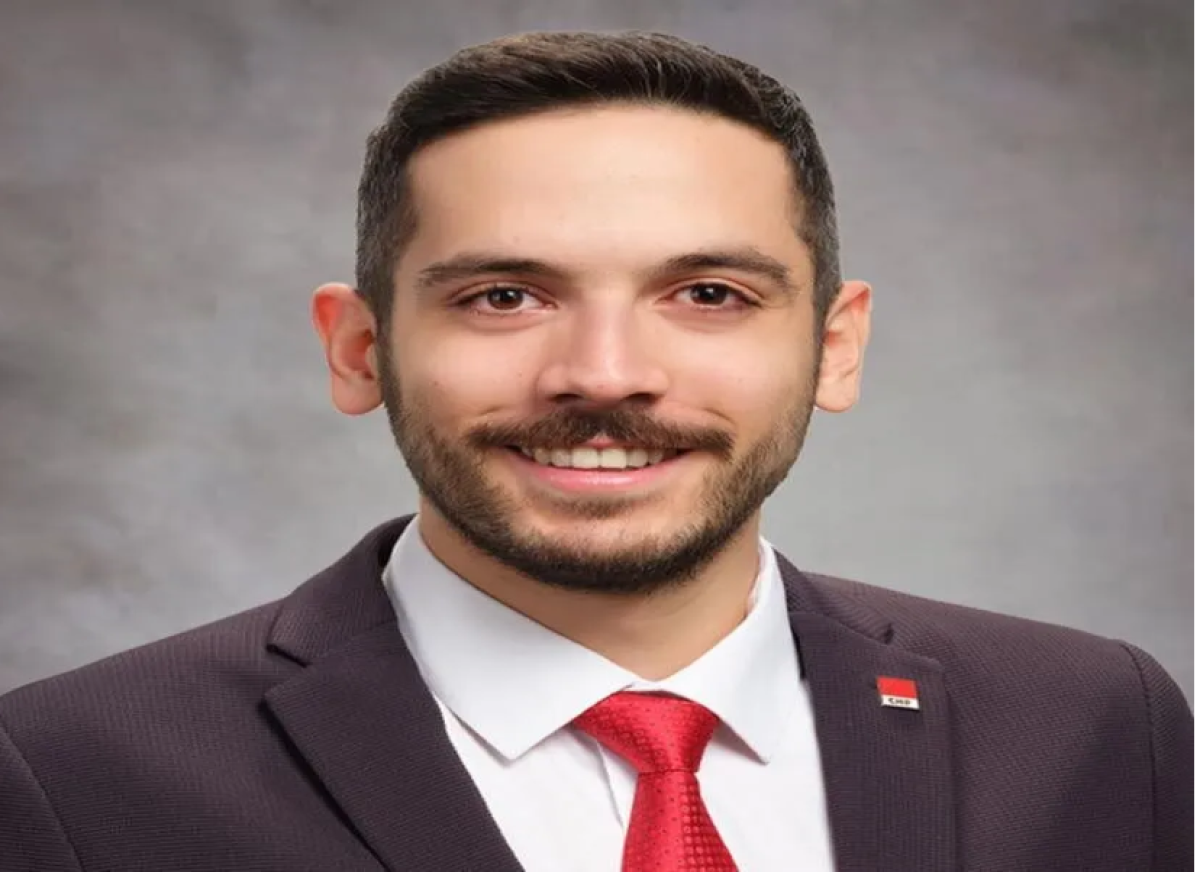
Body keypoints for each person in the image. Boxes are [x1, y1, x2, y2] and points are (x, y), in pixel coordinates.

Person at [0, 29, 1192, 872]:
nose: (606, 372)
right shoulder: (68, 775)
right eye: (505, 296)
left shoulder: (1094, 727)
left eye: (710, 293)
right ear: (359, 349)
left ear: (834, 348)